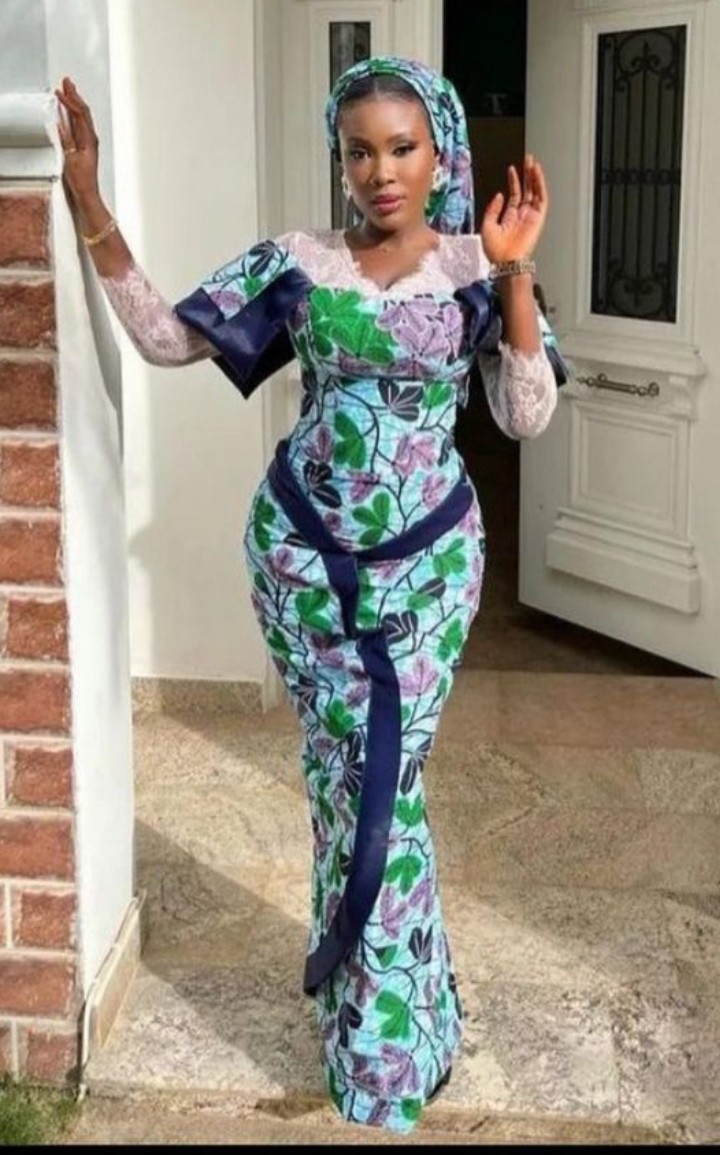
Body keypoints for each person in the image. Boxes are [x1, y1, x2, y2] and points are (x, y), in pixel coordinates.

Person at [56, 56, 568, 1134]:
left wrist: (517, 271)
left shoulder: (478, 266)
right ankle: (379, 1018)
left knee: (387, 784)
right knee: (346, 787)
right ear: (340, 160)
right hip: (303, 565)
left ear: (439, 154)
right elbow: (167, 339)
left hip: (427, 572)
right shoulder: (300, 263)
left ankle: (389, 1044)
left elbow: (525, 415)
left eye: (402, 149)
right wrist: (90, 204)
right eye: (358, 151)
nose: (380, 172)